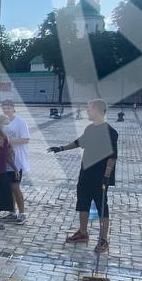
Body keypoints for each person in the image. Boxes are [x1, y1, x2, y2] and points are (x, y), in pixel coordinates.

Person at [48, 99, 118, 253]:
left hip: (100, 176)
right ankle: (83, 232)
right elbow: (79, 142)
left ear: (98, 111)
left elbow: (112, 157)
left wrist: (107, 176)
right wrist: (60, 148)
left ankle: (103, 240)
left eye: (89, 109)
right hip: (86, 173)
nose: (87, 111)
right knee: (83, 203)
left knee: (102, 207)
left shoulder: (110, 132)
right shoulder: (90, 129)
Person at [1, 100, 30, 224]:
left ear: (13, 108)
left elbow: (26, 139)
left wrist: (10, 141)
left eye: (8, 108)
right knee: (8, 188)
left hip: (17, 160)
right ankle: (12, 212)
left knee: (15, 187)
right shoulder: (3, 123)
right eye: (4, 108)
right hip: (6, 160)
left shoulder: (21, 122)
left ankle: (22, 213)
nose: (6, 110)